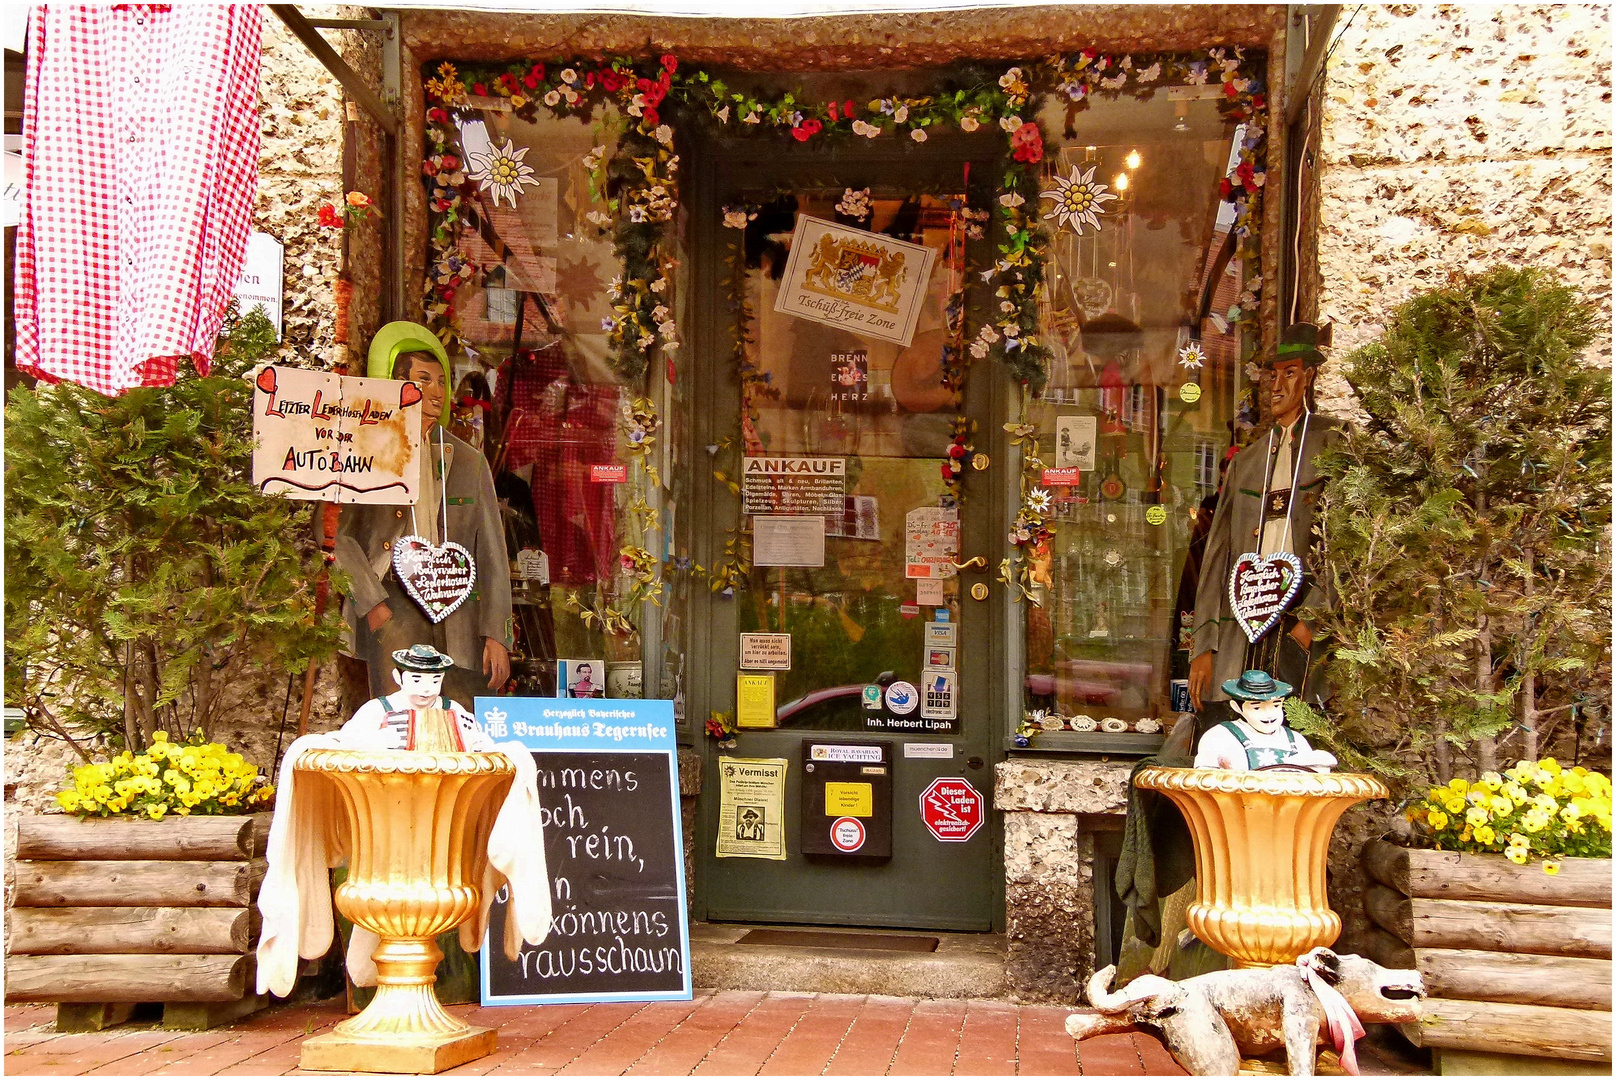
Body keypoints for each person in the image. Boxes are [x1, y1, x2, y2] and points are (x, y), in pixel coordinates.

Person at [334, 321, 513, 709]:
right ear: (398, 385)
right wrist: (375, 607)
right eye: (423, 380)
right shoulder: (368, 452)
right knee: (398, 717)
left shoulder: (469, 461)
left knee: (463, 720)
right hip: (394, 603)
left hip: (460, 610)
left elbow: (493, 557)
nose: (437, 391)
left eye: (441, 381)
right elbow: (340, 537)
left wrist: (497, 634)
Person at [1188, 323, 1340, 716]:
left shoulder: (1334, 442)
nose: (1276, 386)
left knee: (1298, 733)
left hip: (1298, 624)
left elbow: (1345, 546)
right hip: (1243, 628)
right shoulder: (1248, 463)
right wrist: (1204, 644)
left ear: (1309, 377)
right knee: (1231, 732)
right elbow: (1217, 557)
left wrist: (1310, 625)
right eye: (1273, 374)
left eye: (1289, 373)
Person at [339, 644, 498, 752]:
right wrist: (380, 740)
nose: (426, 688)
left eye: (435, 680)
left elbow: (482, 743)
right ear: (398, 677)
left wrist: (472, 741)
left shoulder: (452, 709)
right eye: (416, 680)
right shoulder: (378, 709)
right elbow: (347, 740)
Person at [1193, 669, 1336, 772]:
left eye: (1276, 705)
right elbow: (1204, 780)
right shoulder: (1219, 737)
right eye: (1256, 708)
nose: (1269, 714)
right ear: (1236, 707)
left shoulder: (1296, 740)